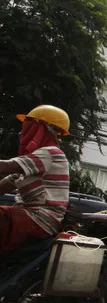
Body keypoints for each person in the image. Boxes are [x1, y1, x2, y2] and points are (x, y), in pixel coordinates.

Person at [0, 105, 70, 252]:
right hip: (31, 216)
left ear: (40, 129)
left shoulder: (50, 152)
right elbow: (6, 183)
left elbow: (6, 166)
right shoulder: (33, 163)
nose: (21, 133)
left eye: (26, 127)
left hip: (39, 218)